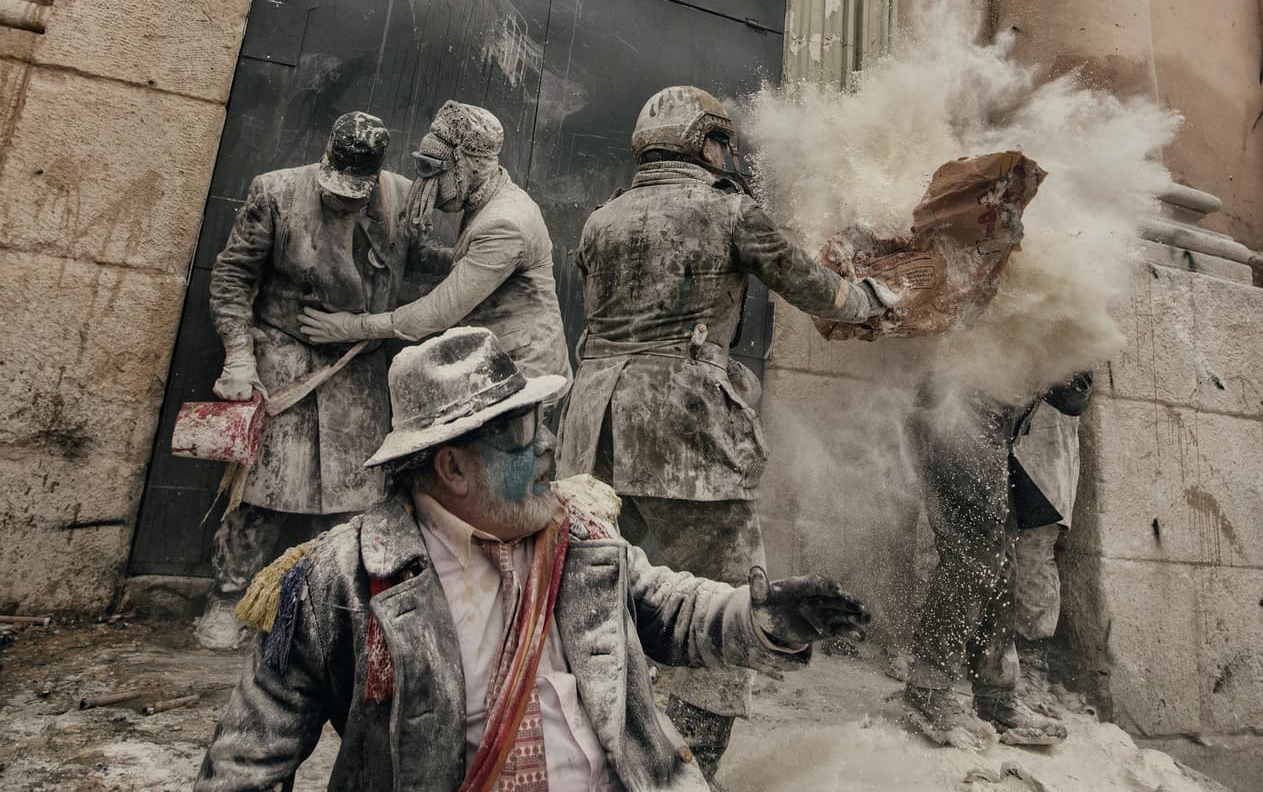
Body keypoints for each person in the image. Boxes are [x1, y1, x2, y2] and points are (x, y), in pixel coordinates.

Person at [196, 326, 870, 791]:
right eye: (523, 434)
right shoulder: (337, 580)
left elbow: (675, 609)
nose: (551, 446)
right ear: (452, 465)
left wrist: (762, 619)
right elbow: (245, 761)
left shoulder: (581, 535)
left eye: (545, 420)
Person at [556, 85, 894, 783]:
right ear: (705, 142)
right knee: (727, 601)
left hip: (591, 428)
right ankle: (688, 772)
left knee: (599, 591)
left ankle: (592, 754)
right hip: (686, 433)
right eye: (722, 142)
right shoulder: (730, 210)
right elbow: (813, 286)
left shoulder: (600, 220)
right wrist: (873, 300)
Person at [197, 112, 414, 650]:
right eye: (335, 191)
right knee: (263, 489)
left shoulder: (404, 201)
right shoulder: (274, 192)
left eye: (354, 195)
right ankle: (229, 596)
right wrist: (239, 357)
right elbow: (233, 275)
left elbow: (431, 265)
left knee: (358, 498)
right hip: (283, 355)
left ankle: (338, 610)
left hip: (359, 362)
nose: (343, 201)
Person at [296, 101, 573, 399]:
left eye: (434, 170)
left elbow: (438, 311)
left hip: (528, 373)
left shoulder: (505, 222)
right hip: (501, 363)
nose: (425, 182)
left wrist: (351, 326)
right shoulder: (485, 199)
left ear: (470, 165)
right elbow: (465, 265)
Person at [904, 372, 1094, 749]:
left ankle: (996, 697)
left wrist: (1074, 366)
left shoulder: (1052, 317)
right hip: (955, 411)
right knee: (975, 549)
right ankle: (928, 688)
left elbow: (1072, 400)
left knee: (1001, 557)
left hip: (997, 427)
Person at [1009, 372, 1095, 692]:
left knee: (1033, 555)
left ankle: (1031, 666)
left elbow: (1076, 396)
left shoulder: (1070, 330)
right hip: (997, 442)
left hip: (1042, 452)